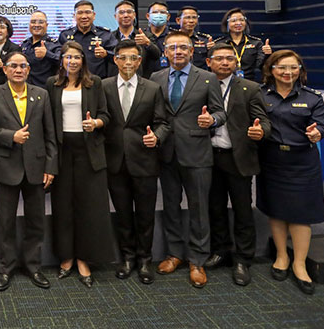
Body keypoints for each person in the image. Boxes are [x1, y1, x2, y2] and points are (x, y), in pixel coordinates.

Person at [151, 31, 225, 288]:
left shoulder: (207, 78)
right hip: (166, 152)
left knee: (199, 208)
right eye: (172, 48)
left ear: (192, 51)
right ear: (165, 52)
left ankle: (197, 260)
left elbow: (220, 112)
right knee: (171, 206)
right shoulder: (156, 78)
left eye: (183, 47)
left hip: (197, 152)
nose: (178, 51)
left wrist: (212, 120)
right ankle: (174, 254)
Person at [0, 51, 58, 291]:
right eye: (13, 66)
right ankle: (6, 268)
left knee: (36, 221)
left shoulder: (41, 95)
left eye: (22, 66)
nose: (18, 70)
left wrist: (51, 166)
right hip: (7, 167)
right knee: (6, 222)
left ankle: (33, 266)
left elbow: (50, 134)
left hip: (37, 167)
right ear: (5, 70)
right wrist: (10, 136)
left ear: (28, 69)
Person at [257, 50, 324, 295]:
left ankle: (299, 263)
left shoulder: (312, 97)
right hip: (271, 159)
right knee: (276, 210)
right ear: (271, 70)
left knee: (300, 214)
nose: (288, 72)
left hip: (302, 161)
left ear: (300, 70)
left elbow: (322, 125)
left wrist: (317, 133)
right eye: (282, 67)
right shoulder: (261, 95)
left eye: (293, 67)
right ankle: (281, 256)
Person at [45, 41, 114, 288]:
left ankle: (84, 259)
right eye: (68, 57)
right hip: (62, 150)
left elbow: (106, 115)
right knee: (63, 205)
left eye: (76, 57)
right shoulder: (52, 84)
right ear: (61, 60)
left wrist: (95, 123)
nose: (72, 61)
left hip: (89, 151)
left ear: (83, 60)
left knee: (88, 206)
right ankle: (66, 257)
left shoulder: (94, 83)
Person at [203, 44, 271, 286]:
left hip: (238, 157)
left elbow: (263, 120)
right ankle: (220, 250)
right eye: (219, 58)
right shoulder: (201, 85)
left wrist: (260, 131)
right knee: (215, 207)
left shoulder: (249, 88)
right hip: (209, 157)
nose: (225, 62)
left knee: (242, 210)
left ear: (236, 63)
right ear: (208, 62)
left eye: (230, 59)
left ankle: (243, 258)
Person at [102, 39, 170, 285]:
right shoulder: (103, 86)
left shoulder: (152, 88)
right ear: (115, 60)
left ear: (140, 61)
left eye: (133, 58)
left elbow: (163, 122)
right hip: (115, 161)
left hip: (144, 160)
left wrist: (157, 137)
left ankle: (144, 260)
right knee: (122, 214)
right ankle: (127, 258)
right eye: (123, 57)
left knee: (145, 215)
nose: (128, 62)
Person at [58, 0, 116, 78]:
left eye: (88, 12)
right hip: (71, 81)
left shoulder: (105, 35)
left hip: (98, 82)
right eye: (80, 13)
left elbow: (118, 56)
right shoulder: (65, 35)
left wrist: (106, 54)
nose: (84, 16)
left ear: (94, 15)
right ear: (74, 16)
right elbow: (58, 59)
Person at [213, 7, 273, 82]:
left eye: (241, 20)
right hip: (225, 82)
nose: (238, 23)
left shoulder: (256, 43)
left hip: (249, 82)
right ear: (227, 23)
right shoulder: (219, 43)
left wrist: (267, 55)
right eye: (234, 20)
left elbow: (261, 66)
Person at [107, 0, 160, 78]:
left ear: (134, 15)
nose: (126, 15)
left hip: (141, 81)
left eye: (129, 12)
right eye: (121, 12)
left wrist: (148, 43)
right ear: (115, 16)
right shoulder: (109, 37)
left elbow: (157, 55)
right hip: (115, 81)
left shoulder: (146, 36)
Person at [20, 10, 61, 87]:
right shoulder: (25, 44)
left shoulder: (53, 44)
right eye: (33, 22)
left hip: (45, 89)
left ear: (46, 25)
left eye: (41, 22)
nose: (36, 25)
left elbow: (63, 61)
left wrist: (47, 54)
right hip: (24, 88)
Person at [174, 6, 213, 71]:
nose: (191, 21)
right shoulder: (171, 39)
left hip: (199, 74)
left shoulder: (205, 39)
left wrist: (212, 49)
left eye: (194, 17)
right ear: (178, 20)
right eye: (187, 17)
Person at [142, 1, 171, 78]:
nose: (158, 15)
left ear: (168, 17)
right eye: (155, 12)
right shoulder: (141, 36)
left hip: (168, 78)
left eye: (162, 12)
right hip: (145, 79)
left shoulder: (174, 36)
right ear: (148, 16)